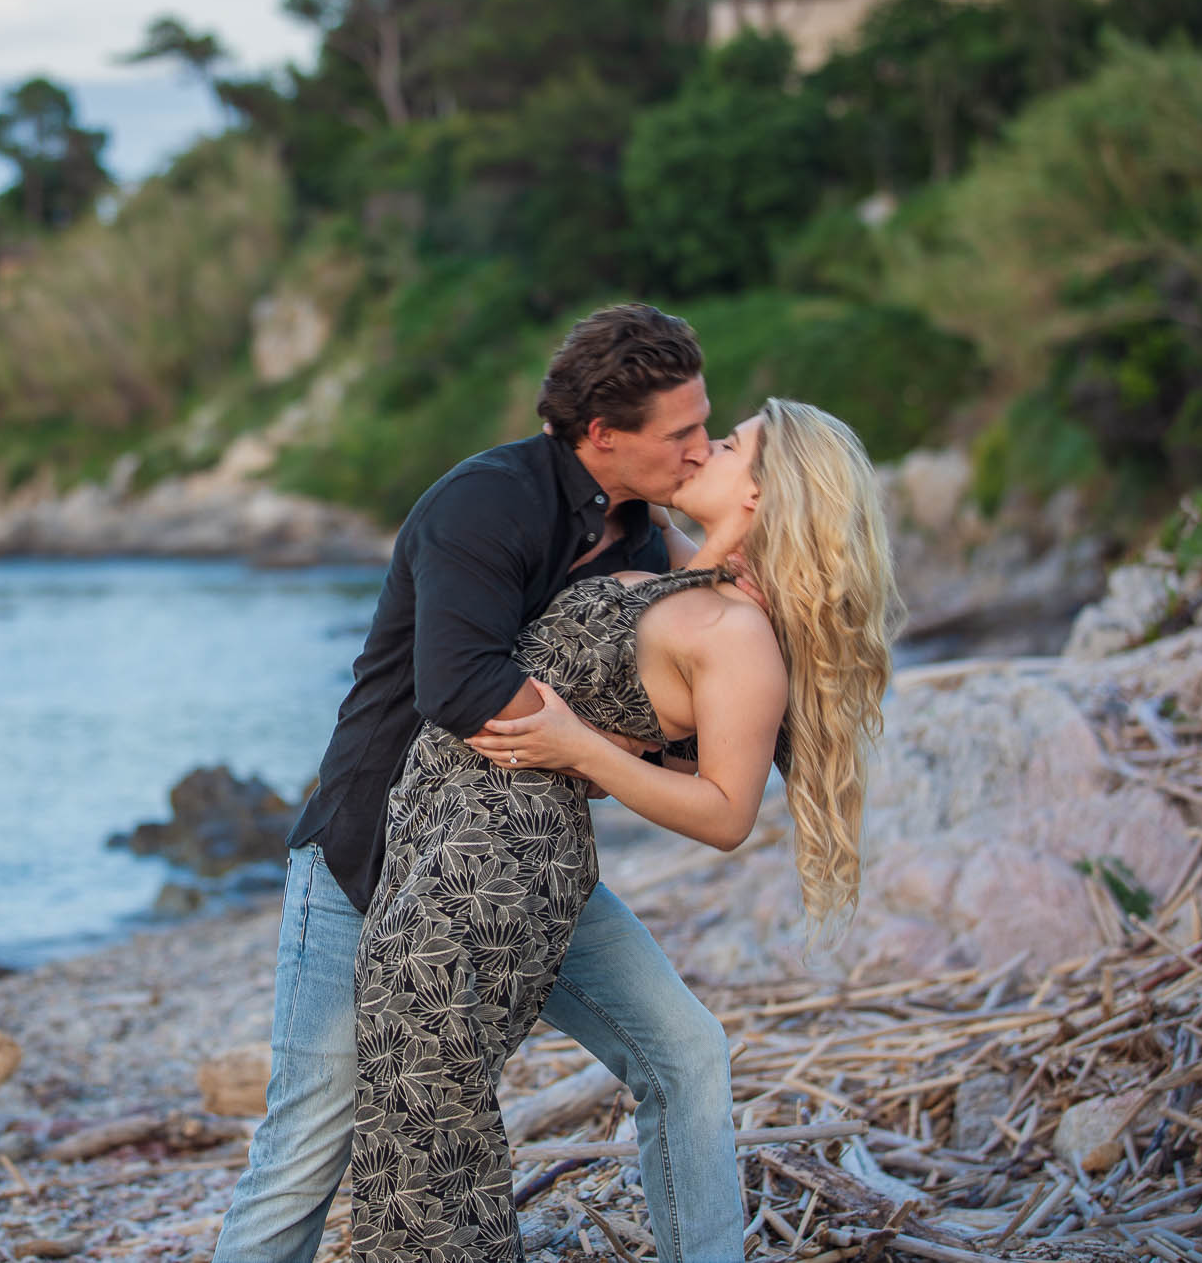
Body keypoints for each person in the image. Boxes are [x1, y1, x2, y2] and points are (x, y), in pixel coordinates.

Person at [213, 304, 744, 1263]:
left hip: (535, 872)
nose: (701, 449)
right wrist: (599, 740)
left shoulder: (641, 542)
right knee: (309, 1142)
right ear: (603, 434)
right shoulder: (486, 504)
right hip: (369, 860)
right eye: (682, 433)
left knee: (688, 1056)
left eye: (706, 425)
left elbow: (664, 727)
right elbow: (461, 687)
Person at [352, 399, 901, 1261]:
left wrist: (582, 748)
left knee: (430, 1130)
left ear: (761, 495)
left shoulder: (739, 634)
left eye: (726, 444)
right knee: (429, 1119)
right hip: (451, 834)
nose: (700, 450)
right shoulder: (687, 570)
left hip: (491, 870)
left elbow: (727, 812)